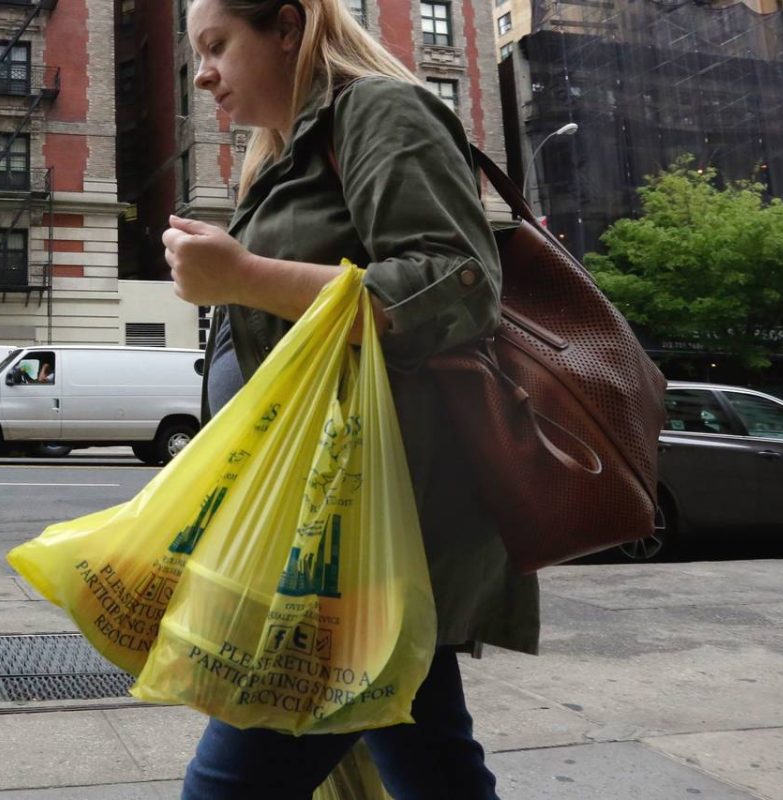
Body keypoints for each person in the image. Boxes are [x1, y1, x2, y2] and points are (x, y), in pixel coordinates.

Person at [164, 1, 540, 797]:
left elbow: (458, 285)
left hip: (366, 530)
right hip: (333, 519)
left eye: (217, 46)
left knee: (228, 786)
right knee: (429, 758)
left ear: (288, 28)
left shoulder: (380, 110)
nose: (203, 74)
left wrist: (244, 277)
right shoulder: (278, 159)